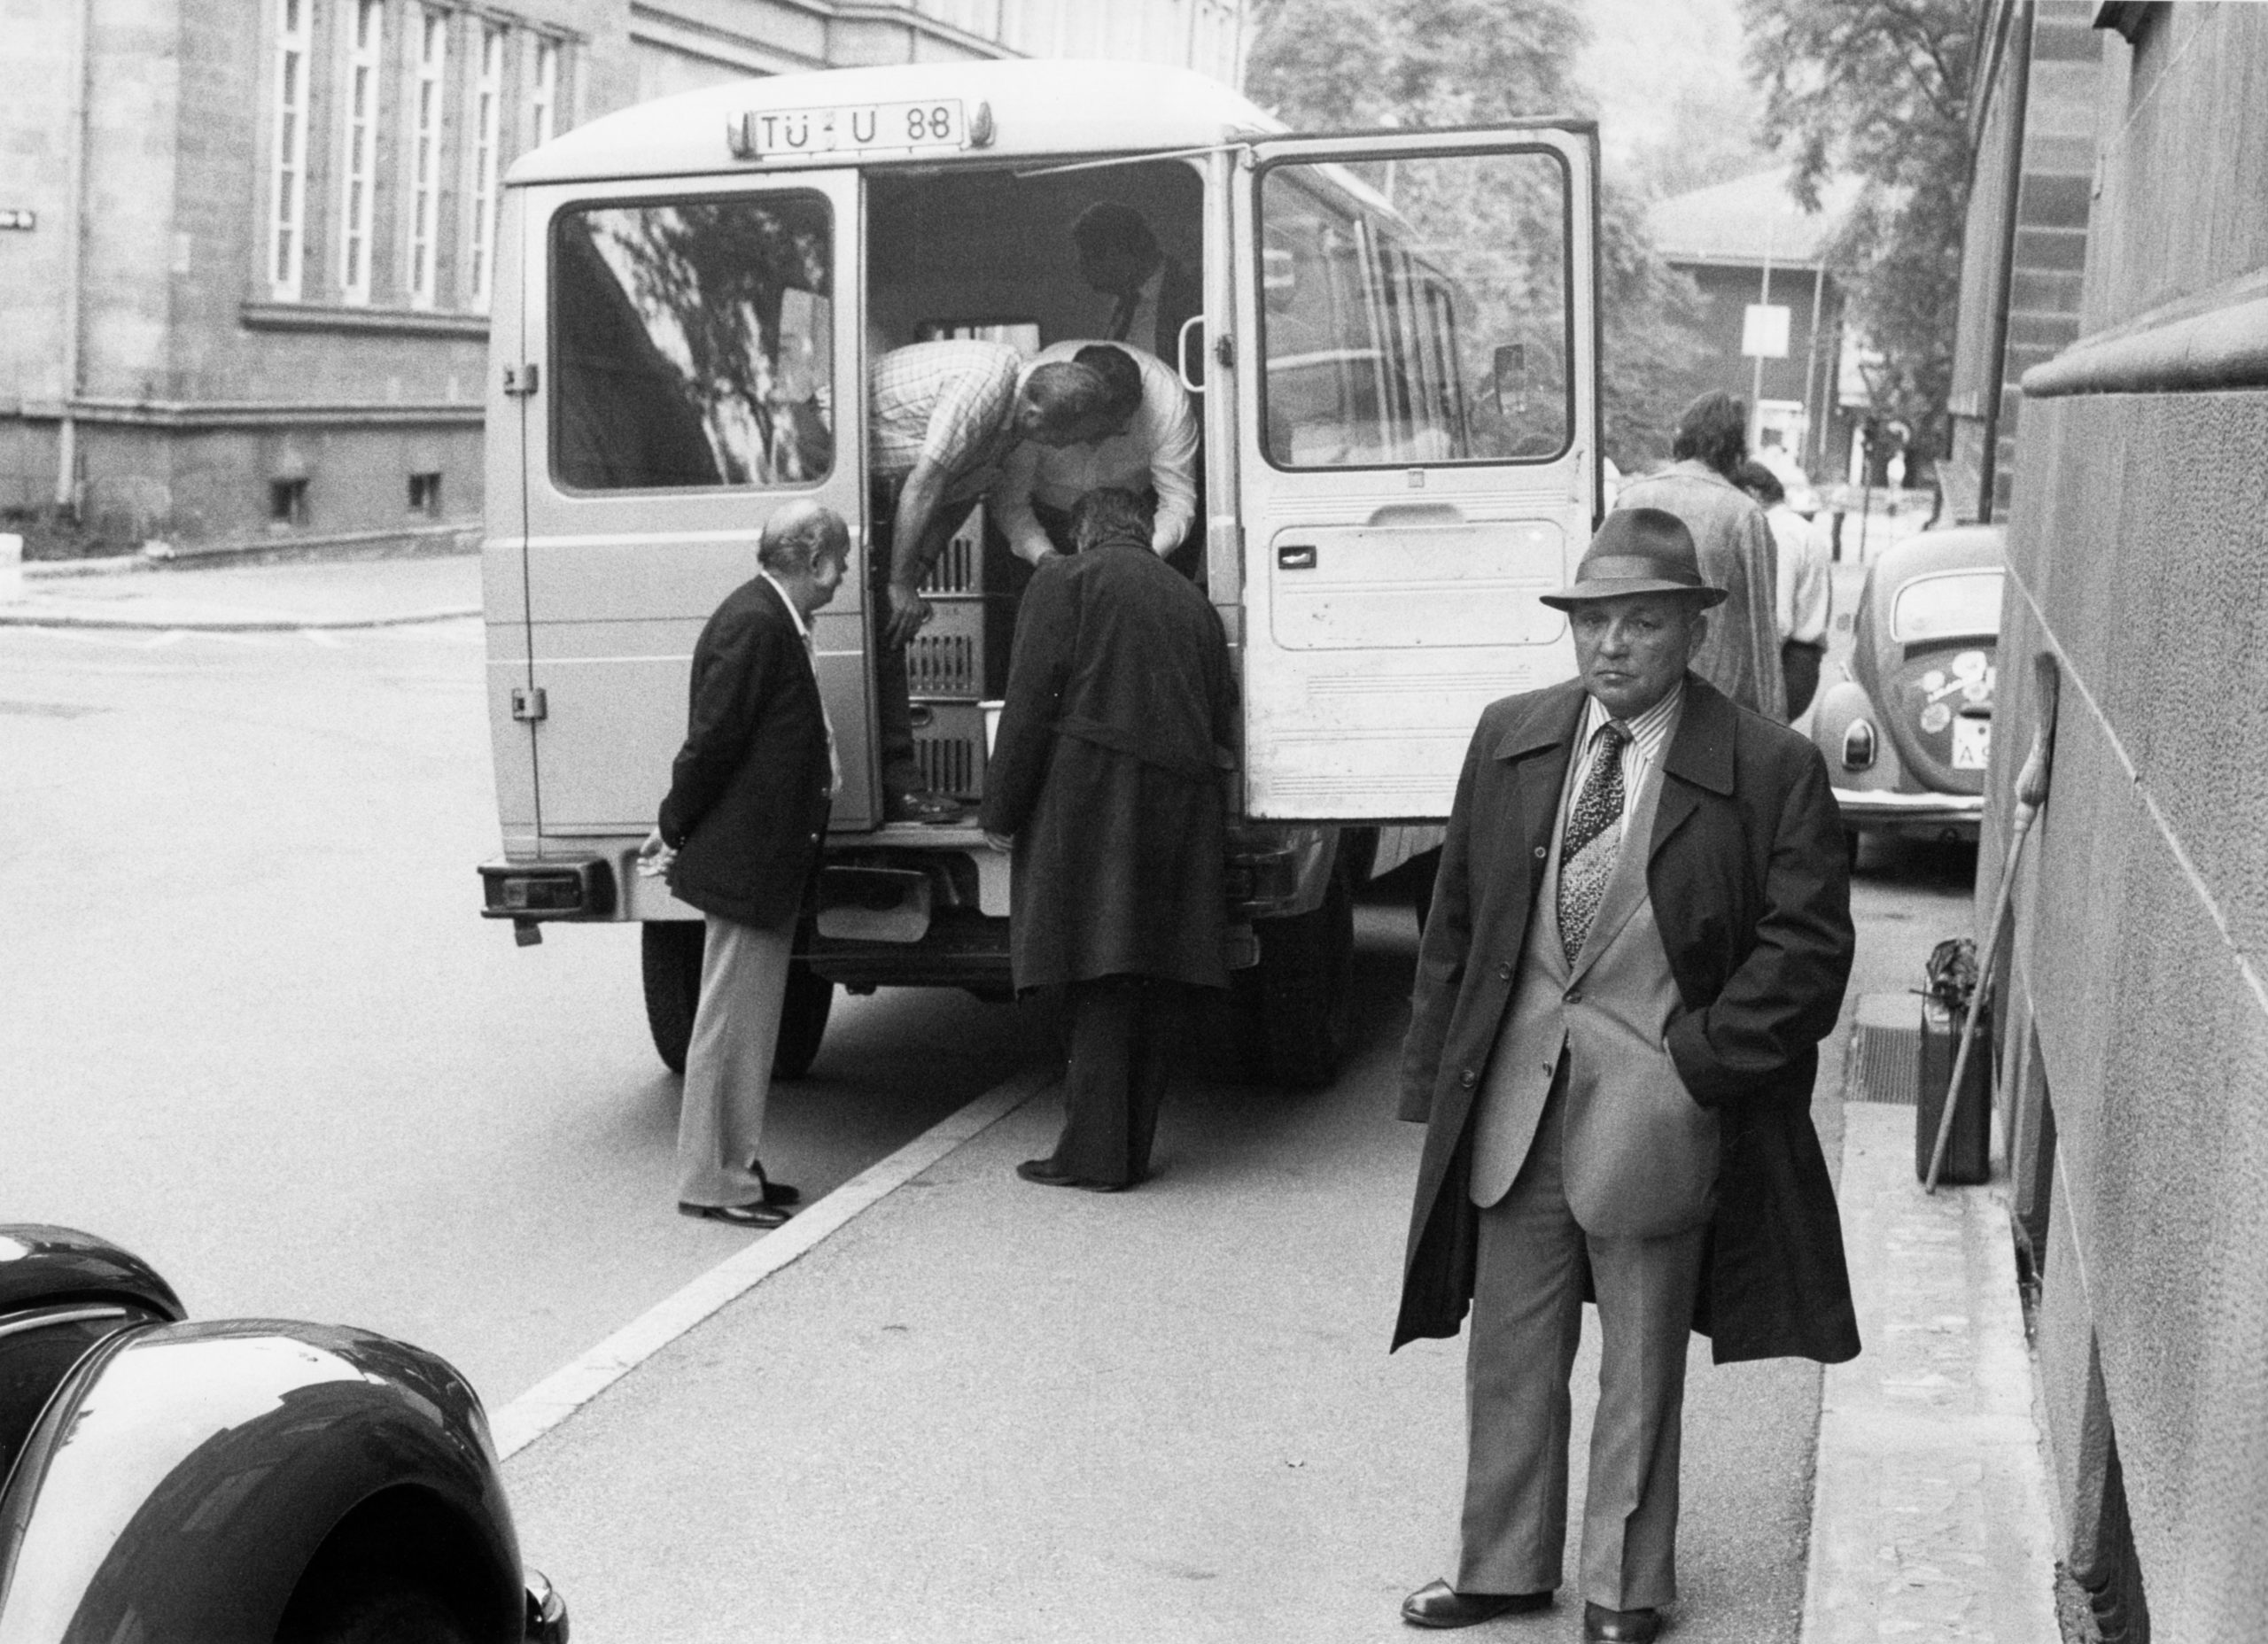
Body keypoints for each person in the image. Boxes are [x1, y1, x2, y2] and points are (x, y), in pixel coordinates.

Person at [1393, 508, 1859, 1641]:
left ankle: (1624, 1584)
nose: (1610, 646)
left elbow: (1807, 950)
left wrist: (1697, 1067)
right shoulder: (1510, 736)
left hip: (1656, 1114)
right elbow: (1453, 919)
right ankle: (1501, 1565)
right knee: (1511, 1344)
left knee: (1641, 1361)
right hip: (1514, 1099)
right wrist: (1433, 1080)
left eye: (1640, 623)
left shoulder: (1767, 767)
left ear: (1693, 628)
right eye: (1591, 621)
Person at [979, 487, 1236, 1191]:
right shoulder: (1193, 604)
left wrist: (999, 810)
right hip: (1181, 812)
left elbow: (1030, 702)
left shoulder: (1066, 580)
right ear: (1147, 531)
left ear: (1085, 531)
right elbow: (1222, 720)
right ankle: (1127, 1150)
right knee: (1150, 980)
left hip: (1094, 805)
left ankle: (1091, 1157)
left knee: (1097, 976)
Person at [638, 501, 850, 1229]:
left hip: (763, 858)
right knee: (730, 1025)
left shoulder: (769, 618)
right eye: (840, 562)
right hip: (748, 859)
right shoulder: (756, 622)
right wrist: (673, 826)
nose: (843, 577)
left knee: (746, 1026)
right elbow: (711, 744)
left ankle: (736, 1167)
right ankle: (713, 1180)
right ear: (813, 556)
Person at [869, 339, 1111, 823]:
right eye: (1065, 438)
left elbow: (957, 496)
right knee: (878, 629)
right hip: (821, 450)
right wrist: (898, 586)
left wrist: (916, 572)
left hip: (882, 485)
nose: (1063, 449)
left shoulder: (1009, 427)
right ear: (1038, 417)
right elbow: (927, 482)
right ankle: (897, 787)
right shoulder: (986, 383)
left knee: (887, 636)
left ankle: (899, 787)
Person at [1611, 392, 1785, 719]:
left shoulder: (1631, 498)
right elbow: (1763, 627)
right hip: (1720, 700)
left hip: (1641, 689)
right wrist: (1777, 724)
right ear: (1736, 449)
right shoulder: (1744, 514)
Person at [992, 341, 1199, 567]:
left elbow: (1177, 502)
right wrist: (1043, 557)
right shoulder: (1037, 400)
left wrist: (1143, 559)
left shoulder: (1167, 400)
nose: (1096, 442)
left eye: (1115, 431)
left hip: (1135, 517)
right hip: (1044, 513)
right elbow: (1010, 502)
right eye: (1083, 435)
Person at [1736, 459, 1832, 720]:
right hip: (1803, 662)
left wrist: (1750, 675)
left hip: (1785, 662)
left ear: (1751, 493)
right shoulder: (1803, 529)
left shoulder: (1779, 533)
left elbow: (1779, 621)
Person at [1072, 201, 1201, 367]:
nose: (1082, 268)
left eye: (1089, 257)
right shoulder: (1122, 302)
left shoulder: (1190, 294)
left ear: (1122, 250)